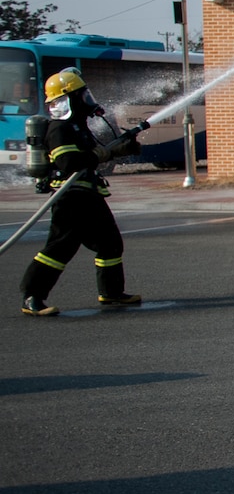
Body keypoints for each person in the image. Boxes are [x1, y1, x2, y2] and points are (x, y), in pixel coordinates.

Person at [20, 68, 145, 315]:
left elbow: (95, 154)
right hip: (70, 197)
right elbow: (68, 163)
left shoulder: (77, 126)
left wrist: (120, 149)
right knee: (59, 248)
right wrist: (102, 154)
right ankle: (32, 297)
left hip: (89, 193)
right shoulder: (59, 128)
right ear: (69, 99)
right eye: (82, 96)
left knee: (109, 244)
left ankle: (111, 293)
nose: (88, 100)